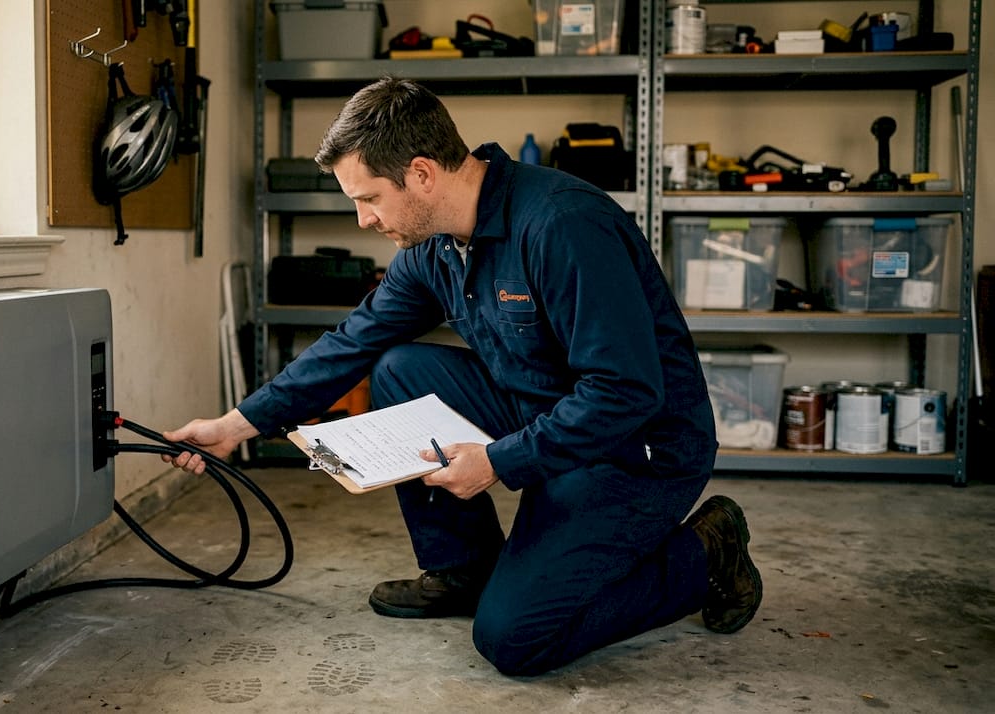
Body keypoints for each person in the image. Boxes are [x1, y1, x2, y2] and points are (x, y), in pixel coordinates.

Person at [163, 77, 762, 676]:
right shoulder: (435, 247)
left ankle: (706, 554)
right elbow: (353, 341)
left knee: (514, 640)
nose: (362, 220)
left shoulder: (561, 224)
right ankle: (465, 568)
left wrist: (500, 462)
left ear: (421, 173)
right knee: (399, 367)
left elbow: (623, 392)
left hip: (633, 449)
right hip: (543, 411)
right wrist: (235, 425)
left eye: (368, 198)